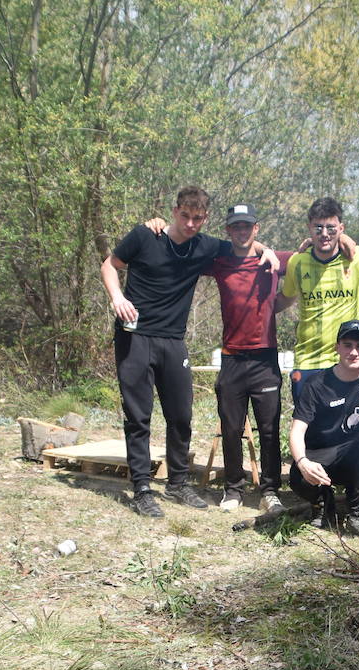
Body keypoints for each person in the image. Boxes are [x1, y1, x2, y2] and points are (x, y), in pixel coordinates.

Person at [100, 186, 275, 518]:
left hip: (173, 340)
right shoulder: (144, 235)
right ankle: (141, 488)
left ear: (205, 218)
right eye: (185, 216)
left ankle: (178, 482)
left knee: (181, 416)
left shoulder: (204, 246)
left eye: (198, 218)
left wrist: (265, 250)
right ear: (175, 210)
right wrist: (117, 297)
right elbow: (110, 265)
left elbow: (242, 242)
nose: (191, 224)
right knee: (139, 416)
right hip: (134, 336)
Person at [204, 203, 294, 513]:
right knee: (231, 427)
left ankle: (270, 491)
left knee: (269, 428)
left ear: (256, 228)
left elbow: (311, 255)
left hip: (265, 360)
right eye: (235, 227)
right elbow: (182, 250)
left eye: (247, 226)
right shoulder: (219, 261)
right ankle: (233, 489)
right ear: (228, 230)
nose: (242, 231)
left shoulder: (275, 260)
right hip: (231, 359)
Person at [288, 321, 359, 540]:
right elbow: (297, 430)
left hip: (350, 455)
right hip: (319, 455)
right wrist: (303, 462)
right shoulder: (316, 384)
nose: (354, 352)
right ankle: (323, 504)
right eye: (347, 345)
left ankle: (357, 514)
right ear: (337, 347)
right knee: (297, 477)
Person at [277, 197, 359, 399]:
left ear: (341, 227)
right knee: (306, 427)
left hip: (346, 360)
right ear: (309, 228)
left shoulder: (357, 257)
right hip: (307, 362)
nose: (325, 234)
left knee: (347, 428)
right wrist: (255, 311)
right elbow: (286, 298)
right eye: (318, 228)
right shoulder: (297, 262)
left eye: (331, 228)